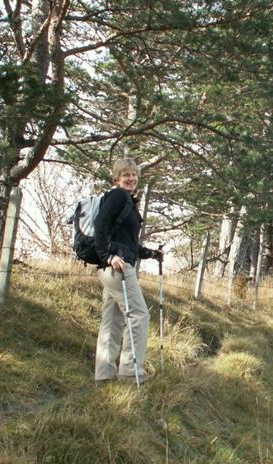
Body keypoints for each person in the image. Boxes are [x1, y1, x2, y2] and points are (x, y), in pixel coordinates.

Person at [93, 158, 161, 385]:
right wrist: (107, 256)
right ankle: (130, 372)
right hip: (117, 267)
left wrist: (150, 253)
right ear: (117, 179)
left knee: (112, 320)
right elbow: (100, 225)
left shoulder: (126, 201)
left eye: (134, 175)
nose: (131, 178)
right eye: (126, 175)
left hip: (113, 268)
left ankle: (104, 374)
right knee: (139, 315)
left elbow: (128, 244)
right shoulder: (118, 196)